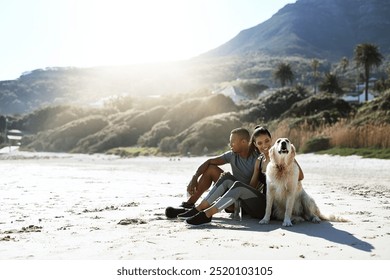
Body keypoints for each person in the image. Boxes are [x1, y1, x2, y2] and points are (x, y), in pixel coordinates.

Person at [182, 126, 304, 225]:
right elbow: (252, 186)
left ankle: (207, 215)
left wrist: (284, 168)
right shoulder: (259, 161)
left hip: (273, 208)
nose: (264, 145)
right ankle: (198, 209)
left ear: (271, 139)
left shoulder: (283, 155)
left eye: (267, 141)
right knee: (227, 178)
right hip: (260, 203)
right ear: (256, 145)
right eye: (260, 143)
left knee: (239, 186)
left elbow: (300, 176)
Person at [165, 127, 259, 218]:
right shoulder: (232, 155)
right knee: (211, 169)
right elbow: (209, 161)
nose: (230, 144)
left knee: (228, 180)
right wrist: (195, 177)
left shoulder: (257, 158)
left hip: (247, 201)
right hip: (232, 194)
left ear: (243, 142)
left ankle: (202, 208)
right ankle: (189, 204)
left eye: (232, 142)